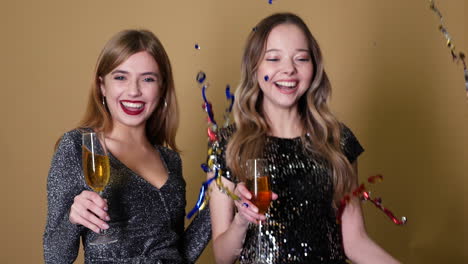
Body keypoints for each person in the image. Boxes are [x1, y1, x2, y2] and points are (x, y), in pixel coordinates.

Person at [209, 13, 400, 264]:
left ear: (314, 67)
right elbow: (222, 257)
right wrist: (241, 221)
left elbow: (355, 242)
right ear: (254, 67)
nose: (289, 69)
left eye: (301, 58)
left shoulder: (337, 141)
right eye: (274, 58)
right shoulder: (228, 144)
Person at [43, 29, 211, 264]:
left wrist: (219, 198)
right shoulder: (78, 147)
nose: (134, 90)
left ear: (162, 88)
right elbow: (54, 257)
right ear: (102, 86)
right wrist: (72, 220)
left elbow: (178, 253)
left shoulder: (170, 160)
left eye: (148, 79)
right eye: (120, 77)